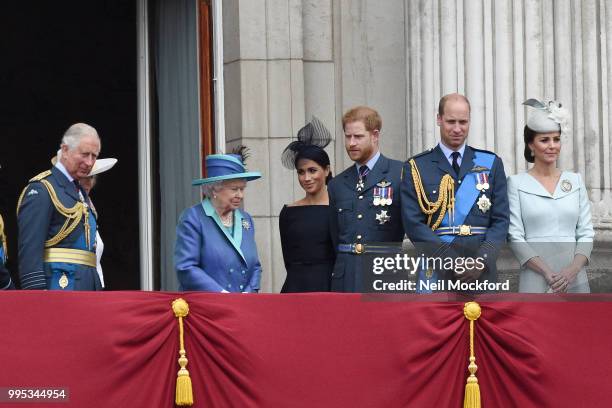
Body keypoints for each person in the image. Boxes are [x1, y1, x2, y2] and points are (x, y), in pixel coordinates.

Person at [400, 93, 509, 287]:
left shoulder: (491, 163)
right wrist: (450, 260)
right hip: (437, 268)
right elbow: (413, 224)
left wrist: (482, 259)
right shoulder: (417, 167)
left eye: (463, 122)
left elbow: (501, 220)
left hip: (481, 271)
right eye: (451, 121)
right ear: (439, 119)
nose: (457, 129)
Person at [508, 99, 593, 293]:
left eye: (556, 139)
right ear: (531, 144)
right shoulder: (515, 183)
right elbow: (515, 236)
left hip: (575, 279)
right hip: (535, 277)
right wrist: (547, 273)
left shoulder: (575, 181)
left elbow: (586, 232)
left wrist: (572, 270)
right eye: (544, 140)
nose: (552, 145)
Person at [328, 106, 404, 292]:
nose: (351, 143)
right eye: (348, 137)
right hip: (346, 278)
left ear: (375, 135)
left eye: (358, 136)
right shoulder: (337, 184)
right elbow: (335, 236)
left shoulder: (400, 173)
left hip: (385, 275)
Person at [17, 123, 102, 290]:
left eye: (94, 156)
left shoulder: (79, 192)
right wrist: (36, 296)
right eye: (85, 154)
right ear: (65, 150)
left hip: (87, 289)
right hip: (59, 287)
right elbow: (30, 252)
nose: (90, 162)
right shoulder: (43, 189)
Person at [174, 149, 263, 292]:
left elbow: (256, 267)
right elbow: (186, 268)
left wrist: (249, 293)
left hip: (243, 306)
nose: (240, 195)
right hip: (207, 306)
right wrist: (221, 294)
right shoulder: (194, 218)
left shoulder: (245, 219)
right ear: (215, 189)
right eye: (234, 189)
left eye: (242, 189)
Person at [279, 117, 335, 292]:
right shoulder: (288, 212)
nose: (306, 178)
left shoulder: (339, 209)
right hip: (294, 290)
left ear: (326, 170)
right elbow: (288, 259)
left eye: (312, 170)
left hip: (330, 290)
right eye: (301, 172)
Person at [80, 157, 118, 289]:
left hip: (93, 286)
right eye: (83, 177)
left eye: (91, 178)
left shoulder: (90, 208)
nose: (88, 183)